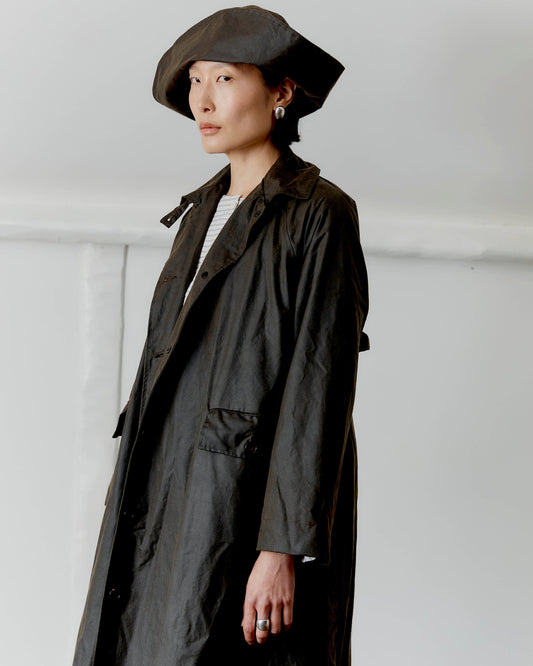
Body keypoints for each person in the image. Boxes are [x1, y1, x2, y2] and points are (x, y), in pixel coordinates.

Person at [73, 6, 369, 666]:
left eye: (225, 79)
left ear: (281, 92)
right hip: (169, 489)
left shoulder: (318, 214)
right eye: (195, 81)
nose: (202, 101)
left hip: (245, 505)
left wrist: (281, 547)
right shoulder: (197, 213)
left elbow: (319, 388)